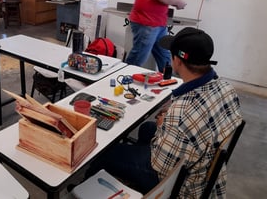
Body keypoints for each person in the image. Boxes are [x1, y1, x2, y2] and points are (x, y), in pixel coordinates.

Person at [86, 27, 243, 198]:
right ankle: (131, 177)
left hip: (181, 186)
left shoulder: (181, 113)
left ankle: (86, 189)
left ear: (177, 61)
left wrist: (163, 127)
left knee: (106, 153)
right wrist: (166, 125)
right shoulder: (227, 88)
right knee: (146, 128)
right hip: (204, 162)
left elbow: (161, 167)